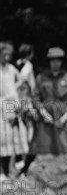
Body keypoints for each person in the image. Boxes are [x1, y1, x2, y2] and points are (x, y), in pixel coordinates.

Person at [17, 47, 67, 177]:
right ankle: (24, 171)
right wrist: (43, 113)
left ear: (61, 62)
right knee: (36, 143)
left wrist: (64, 118)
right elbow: (36, 98)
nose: (55, 63)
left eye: (58, 60)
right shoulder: (41, 77)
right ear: (49, 61)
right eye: (53, 60)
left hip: (63, 116)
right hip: (46, 115)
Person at [0, 42, 29, 181]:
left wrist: (17, 101)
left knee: (11, 138)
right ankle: (2, 172)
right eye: (4, 54)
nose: (6, 57)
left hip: (11, 105)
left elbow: (18, 82)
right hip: (1, 105)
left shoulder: (11, 69)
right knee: (1, 138)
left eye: (8, 55)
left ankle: (9, 170)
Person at [14, 43, 36, 170]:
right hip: (26, 99)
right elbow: (26, 81)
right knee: (30, 124)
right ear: (29, 54)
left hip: (17, 99)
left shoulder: (16, 64)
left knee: (21, 125)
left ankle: (20, 155)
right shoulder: (28, 65)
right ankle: (26, 151)